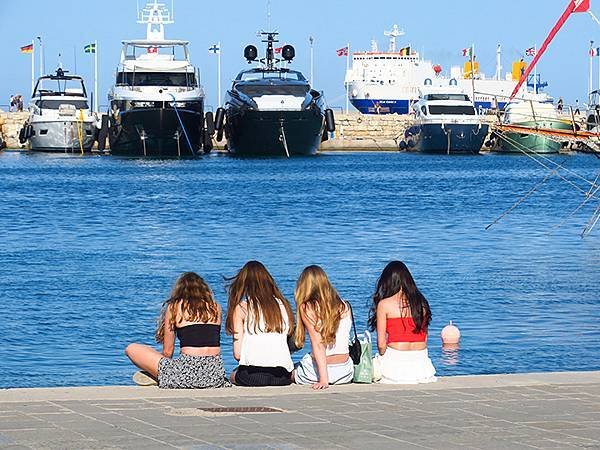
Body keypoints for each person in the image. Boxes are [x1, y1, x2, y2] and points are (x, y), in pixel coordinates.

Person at [125, 272, 230, 389]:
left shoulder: (175, 307)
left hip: (187, 376)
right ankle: (162, 376)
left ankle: (159, 376)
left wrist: (156, 363)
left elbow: (167, 352)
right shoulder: (215, 307)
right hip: (215, 376)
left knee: (131, 348)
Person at [226, 261, 294, 386]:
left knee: (232, 375)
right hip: (282, 376)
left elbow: (238, 354)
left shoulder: (242, 308)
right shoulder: (284, 305)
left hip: (252, 375)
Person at [369, 261, 436, 384]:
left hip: (396, 362)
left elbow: (381, 345)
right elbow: (425, 338)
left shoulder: (384, 304)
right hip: (422, 363)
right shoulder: (422, 303)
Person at [292, 265, 354, 389]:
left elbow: (318, 345)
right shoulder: (344, 305)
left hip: (320, 371)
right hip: (345, 371)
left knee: (291, 372)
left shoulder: (307, 308)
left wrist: (324, 380)